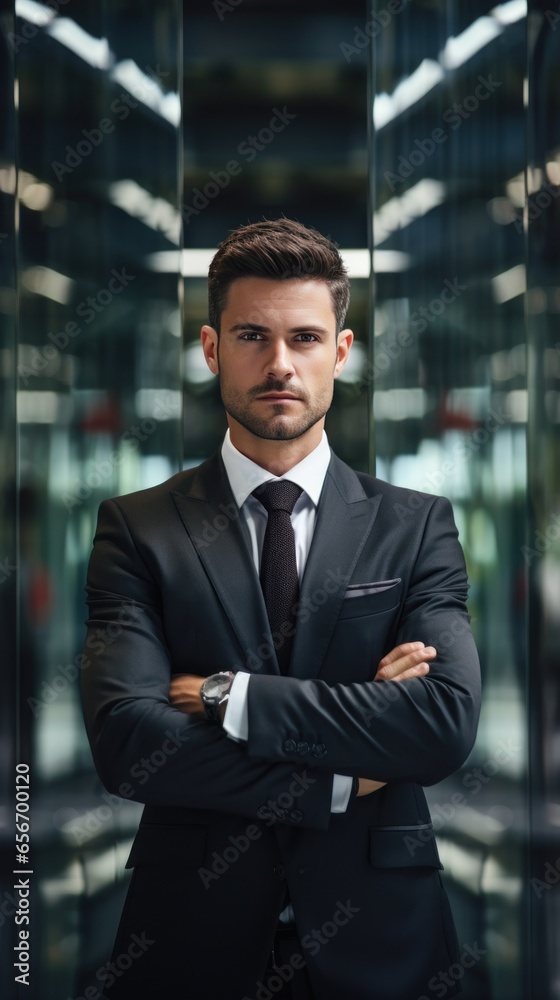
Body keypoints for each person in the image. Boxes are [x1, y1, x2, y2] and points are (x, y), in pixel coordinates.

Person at [81, 218, 481, 1000]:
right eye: (251, 336)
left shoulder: (416, 524)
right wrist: (339, 778)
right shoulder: (137, 528)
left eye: (304, 338)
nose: (279, 365)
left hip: (386, 941)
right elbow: (128, 741)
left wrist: (231, 696)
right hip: (189, 942)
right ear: (210, 348)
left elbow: (440, 724)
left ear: (341, 349)